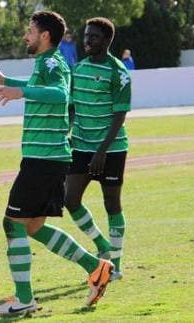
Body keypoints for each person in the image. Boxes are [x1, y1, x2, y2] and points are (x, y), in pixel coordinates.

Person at [0, 11, 114, 316]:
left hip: (44, 159)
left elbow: (59, 92)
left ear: (44, 36)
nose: (26, 35)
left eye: (30, 30)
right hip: (47, 158)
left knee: (12, 223)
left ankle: (24, 299)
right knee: (34, 226)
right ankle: (96, 268)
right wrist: (6, 81)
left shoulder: (52, 62)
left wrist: (21, 91)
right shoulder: (45, 63)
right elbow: (42, 86)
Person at [65, 17, 131, 282]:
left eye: (93, 37)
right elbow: (71, 107)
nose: (87, 41)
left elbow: (120, 115)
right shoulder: (77, 69)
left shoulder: (118, 72)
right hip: (81, 145)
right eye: (85, 36)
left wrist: (102, 151)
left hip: (111, 149)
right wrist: (66, 131)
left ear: (106, 40)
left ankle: (115, 263)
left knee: (111, 203)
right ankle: (102, 244)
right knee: (70, 200)